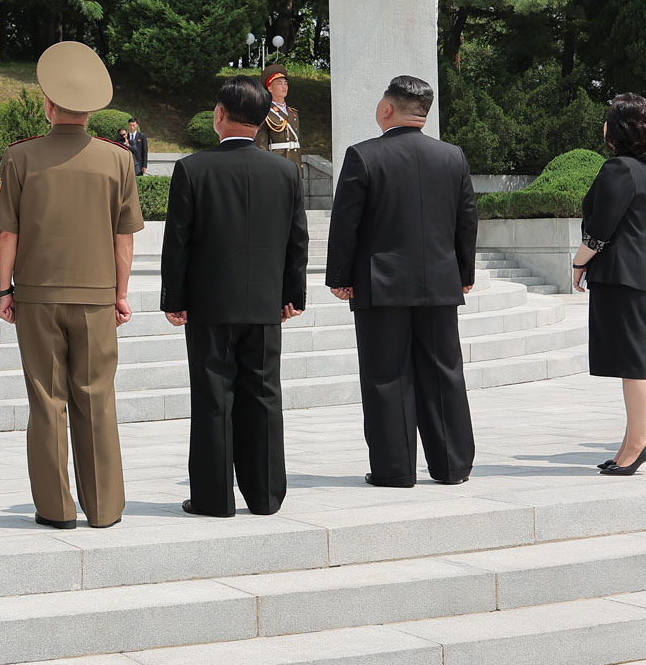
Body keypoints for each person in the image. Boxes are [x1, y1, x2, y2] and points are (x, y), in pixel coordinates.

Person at [0, 42, 144, 529]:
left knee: (47, 400)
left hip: (36, 294)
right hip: (97, 297)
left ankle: (56, 509)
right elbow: (124, 240)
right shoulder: (118, 160)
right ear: (94, 108)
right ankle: (104, 508)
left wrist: (4, 289)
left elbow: (8, 233)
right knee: (96, 398)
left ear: (48, 105)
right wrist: (120, 294)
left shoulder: (20, 157)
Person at [161, 76, 309, 517]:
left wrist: (175, 298)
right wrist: (291, 296)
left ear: (219, 115)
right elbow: (296, 240)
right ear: (265, 120)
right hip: (265, 304)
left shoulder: (192, 168)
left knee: (212, 398)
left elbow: (179, 242)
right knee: (263, 395)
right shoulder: (285, 170)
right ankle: (265, 495)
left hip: (209, 305)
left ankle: (213, 497)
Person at [325, 75, 479, 486]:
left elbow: (346, 225)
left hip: (382, 286)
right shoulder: (453, 157)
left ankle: (394, 469)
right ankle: (452, 466)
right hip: (440, 285)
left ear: (387, 108)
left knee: (386, 375)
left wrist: (339, 277)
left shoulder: (363, 156)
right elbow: (466, 221)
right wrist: (463, 274)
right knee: (445, 371)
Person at [572, 94, 646, 476]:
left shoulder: (618, 169)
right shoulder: (644, 169)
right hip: (634, 276)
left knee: (635, 363)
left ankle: (638, 443)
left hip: (621, 276)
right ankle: (631, 442)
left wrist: (578, 262)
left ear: (617, 128)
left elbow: (600, 226)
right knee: (633, 362)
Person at [253, 67, 305, 171]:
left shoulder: (293, 113)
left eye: (285, 83)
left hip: (295, 164)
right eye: (279, 83)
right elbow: (261, 145)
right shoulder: (266, 112)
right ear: (270, 88)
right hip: (277, 165)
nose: (284, 86)